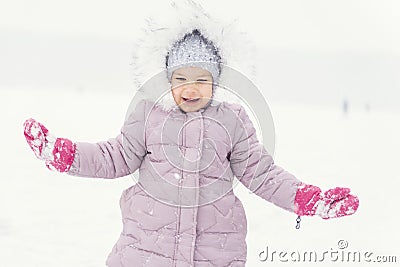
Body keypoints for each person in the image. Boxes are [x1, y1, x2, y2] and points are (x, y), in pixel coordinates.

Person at [23, 29, 359, 267]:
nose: (190, 88)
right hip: (146, 252)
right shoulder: (148, 114)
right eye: (181, 78)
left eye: (201, 79)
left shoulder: (232, 120)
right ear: (168, 80)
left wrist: (306, 198)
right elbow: (115, 156)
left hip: (213, 252)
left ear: (216, 82)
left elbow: (262, 173)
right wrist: (67, 155)